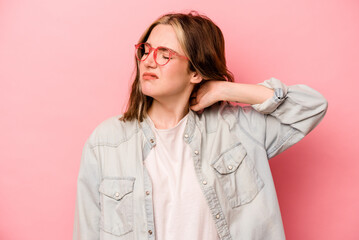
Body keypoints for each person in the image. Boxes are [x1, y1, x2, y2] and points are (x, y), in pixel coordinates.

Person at [73, 10, 328, 240]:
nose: (148, 61)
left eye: (165, 55)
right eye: (145, 50)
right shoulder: (105, 142)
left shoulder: (237, 129)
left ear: (196, 72)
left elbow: (312, 107)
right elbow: (87, 232)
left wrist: (223, 88)